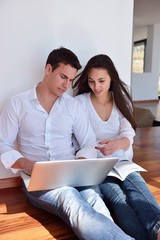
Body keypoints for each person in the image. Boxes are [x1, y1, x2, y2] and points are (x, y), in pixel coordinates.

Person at [0, 47, 135, 240]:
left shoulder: (73, 106)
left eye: (71, 80)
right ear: (48, 69)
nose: (66, 85)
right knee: (71, 201)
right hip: (39, 180)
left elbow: (88, 142)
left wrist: (79, 163)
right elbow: (3, 145)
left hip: (74, 174)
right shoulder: (17, 104)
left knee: (96, 201)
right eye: (63, 77)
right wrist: (26, 164)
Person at [73, 54, 160, 240]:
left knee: (137, 188)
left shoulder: (121, 99)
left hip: (121, 159)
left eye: (101, 81)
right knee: (118, 200)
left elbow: (128, 134)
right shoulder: (79, 103)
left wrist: (116, 145)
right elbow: (80, 139)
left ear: (111, 77)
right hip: (97, 164)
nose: (96, 87)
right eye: (91, 81)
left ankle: (158, 228)